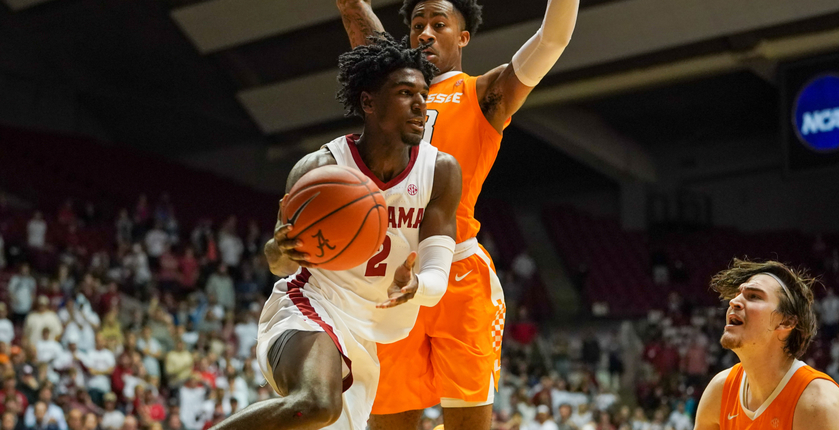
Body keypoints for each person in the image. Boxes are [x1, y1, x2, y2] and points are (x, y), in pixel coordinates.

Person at [336, 0, 579, 427]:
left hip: (458, 272)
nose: (425, 33)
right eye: (416, 25)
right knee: (390, 421)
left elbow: (552, 39)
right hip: (391, 275)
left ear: (463, 37)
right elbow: (362, 25)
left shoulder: (482, 93)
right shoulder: (393, 90)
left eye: (438, 24)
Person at [216, 35, 461, 430]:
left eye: (424, 93)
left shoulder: (441, 171)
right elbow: (278, 264)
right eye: (404, 93)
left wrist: (418, 285)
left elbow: (438, 271)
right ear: (368, 103)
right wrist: (280, 249)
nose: (420, 104)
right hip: (312, 305)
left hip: (369, 333)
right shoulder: (320, 168)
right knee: (316, 403)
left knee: (318, 412)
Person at [693, 259, 839, 430]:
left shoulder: (817, 404)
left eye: (754, 296)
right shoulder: (720, 391)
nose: (734, 302)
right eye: (737, 295)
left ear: (785, 322)